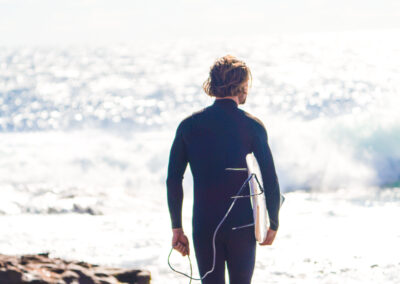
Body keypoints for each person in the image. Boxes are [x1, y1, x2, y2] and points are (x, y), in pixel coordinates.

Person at [166, 55, 281, 284]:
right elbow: (269, 177)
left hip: (204, 225)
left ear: (212, 85)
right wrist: (273, 221)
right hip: (242, 225)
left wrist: (176, 227)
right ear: (243, 86)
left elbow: (173, 179)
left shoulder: (188, 125)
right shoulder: (252, 125)